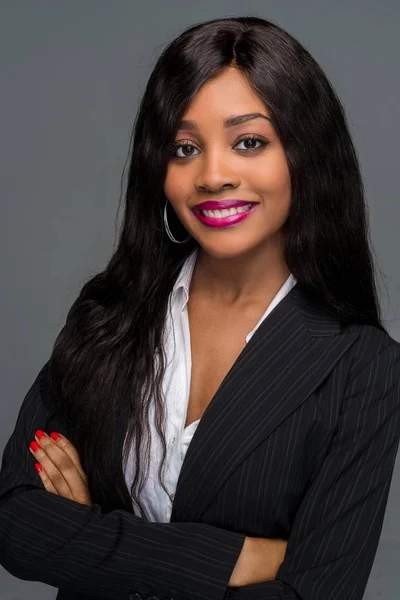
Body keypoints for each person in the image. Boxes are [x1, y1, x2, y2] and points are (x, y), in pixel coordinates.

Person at [0, 14, 399, 600]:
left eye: (249, 142)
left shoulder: (363, 368)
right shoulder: (109, 313)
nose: (212, 175)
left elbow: (314, 593)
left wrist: (92, 542)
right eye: (184, 148)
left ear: (305, 156)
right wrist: (233, 559)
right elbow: (13, 519)